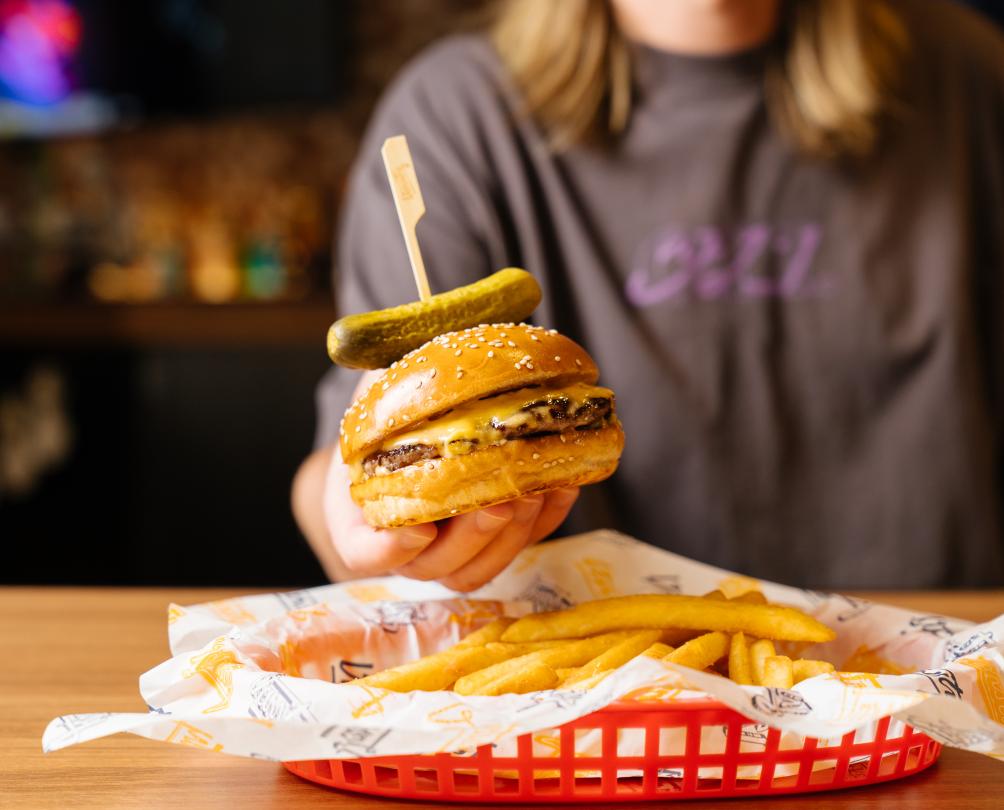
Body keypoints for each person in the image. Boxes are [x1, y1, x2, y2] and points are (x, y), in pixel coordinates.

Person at [293, 0, 1004, 590]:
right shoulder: (455, 116)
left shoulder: (972, 77)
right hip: (584, 723)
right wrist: (363, 522)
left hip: (935, 694)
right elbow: (343, 463)